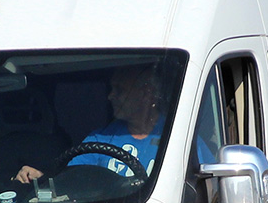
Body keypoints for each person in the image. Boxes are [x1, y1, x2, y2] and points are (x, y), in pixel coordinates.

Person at [14, 65, 163, 183]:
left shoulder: (175, 133)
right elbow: (71, 181)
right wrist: (40, 178)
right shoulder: (101, 138)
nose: (111, 96)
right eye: (112, 89)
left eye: (120, 90)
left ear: (146, 93)